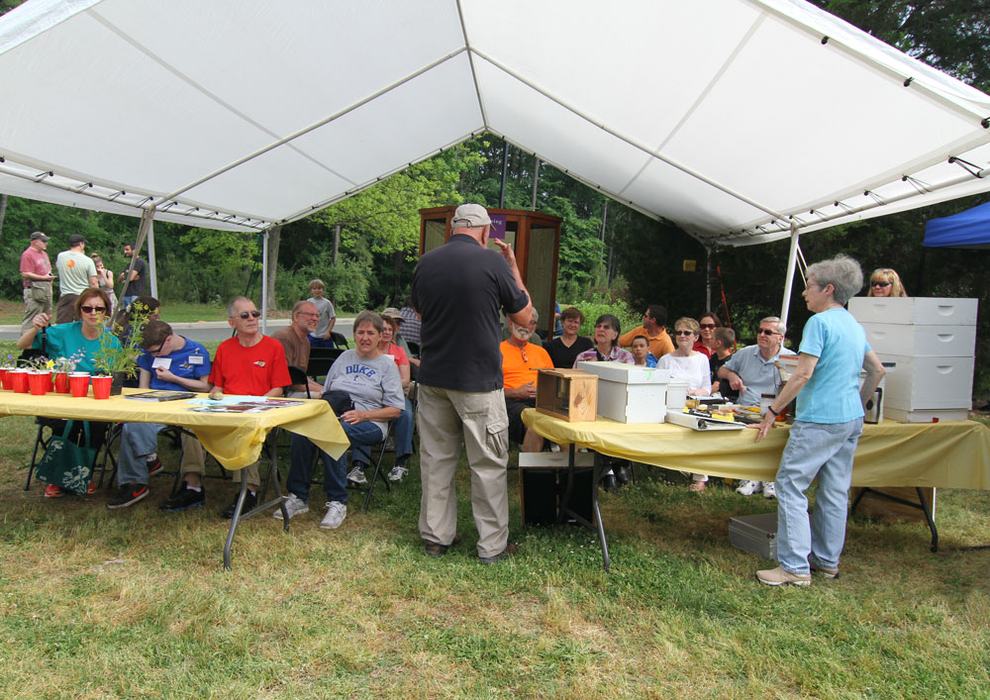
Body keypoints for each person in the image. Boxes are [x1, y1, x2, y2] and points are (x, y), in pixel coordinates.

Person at [755, 255, 885, 587]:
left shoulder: (819, 323)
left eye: (809, 286)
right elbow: (877, 370)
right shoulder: (853, 324)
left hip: (819, 419)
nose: (804, 292)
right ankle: (827, 562)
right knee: (835, 491)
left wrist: (772, 412)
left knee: (789, 484)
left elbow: (802, 374)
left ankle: (794, 567)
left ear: (828, 289)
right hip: (850, 419)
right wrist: (858, 404)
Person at [412, 202, 531, 564]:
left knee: (436, 460)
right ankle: (491, 546)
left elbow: (419, 311)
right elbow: (524, 316)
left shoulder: (426, 263)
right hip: (478, 381)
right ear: (484, 231)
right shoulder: (493, 262)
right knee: (487, 464)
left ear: (452, 227)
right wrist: (513, 267)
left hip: (433, 378)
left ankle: (436, 538)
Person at [279, 311, 404, 530]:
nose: (365, 337)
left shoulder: (387, 366)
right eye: (360, 332)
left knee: (334, 432)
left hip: (371, 422)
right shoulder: (344, 358)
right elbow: (327, 392)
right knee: (302, 432)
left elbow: (395, 410)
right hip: (335, 415)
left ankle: (338, 501)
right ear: (354, 335)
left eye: (370, 333)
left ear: (379, 336)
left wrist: (363, 415)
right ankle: (298, 497)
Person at [17, 288, 120, 498]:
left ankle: (83, 474)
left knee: (96, 424)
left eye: (99, 309)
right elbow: (22, 345)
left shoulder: (112, 342)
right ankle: (58, 478)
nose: (93, 313)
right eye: (87, 308)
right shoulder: (62, 332)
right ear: (79, 310)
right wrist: (35, 328)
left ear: (106, 312)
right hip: (62, 397)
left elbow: (114, 378)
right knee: (68, 423)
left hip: (94, 400)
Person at [112, 321, 212, 510]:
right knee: (132, 424)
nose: (154, 356)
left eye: (156, 352)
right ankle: (136, 479)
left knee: (193, 428)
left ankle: (192, 485)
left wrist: (174, 378)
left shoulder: (196, 351)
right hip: (155, 405)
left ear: (169, 340)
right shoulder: (148, 354)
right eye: (150, 353)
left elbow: (205, 386)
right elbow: (143, 388)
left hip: (186, 405)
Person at [206, 296, 292, 518]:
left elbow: (279, 389)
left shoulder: (273, 347)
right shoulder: (225, 348)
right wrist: (215, 396)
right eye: (245, 315)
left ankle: (248, 490)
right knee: (189, 428)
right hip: (227, 410)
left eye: (255, 314)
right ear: (232, 322)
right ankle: (192, 484)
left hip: (258, 410)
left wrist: (255, 405)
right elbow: (217, 386)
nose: (252, 318)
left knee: (246, 428)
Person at [719, 317, 795, 498]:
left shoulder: (791, 358)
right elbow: (721, 370)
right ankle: (750, 477)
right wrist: (731, 376)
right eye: (760, 331)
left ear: (780, 338)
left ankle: (767, 478)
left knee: (776, 434)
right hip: (745, 408)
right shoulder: (746, 353)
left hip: (776, 411)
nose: (762, 335)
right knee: (748, 431)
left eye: (768, 332)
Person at [348, 307, 414, 484]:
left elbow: (406, 380)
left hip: (394, 395)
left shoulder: (398, 351)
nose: (386, 332)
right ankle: (359, 465)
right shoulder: (367, 350)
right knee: (361, 413)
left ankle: (400, 462)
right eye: (383, 329)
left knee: (406, 414)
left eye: (390, 329)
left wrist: (386, 386)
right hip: (370, 396)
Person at [574, 313, 633, 489]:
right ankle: (611, 467)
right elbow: (574, 385)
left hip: (618, 406)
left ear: (615, 334)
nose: (601, 330)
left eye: (606, 327)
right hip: (591, 406)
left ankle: (613, 465)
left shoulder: (625, 357)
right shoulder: (584, 356)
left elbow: (629, 384)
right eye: (598, 326)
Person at [657, 317, 712, 492]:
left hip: (695, 406)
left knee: (702, 432)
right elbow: (657, 388)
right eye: (678, 332)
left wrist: (695, 392)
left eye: (687, 333)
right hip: (671, 407)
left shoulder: (702, 359)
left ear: (696, 337)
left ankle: (700, 477)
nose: (682, 336)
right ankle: (675, 471)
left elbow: (707, 388)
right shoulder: (665, 360)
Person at [501, 308, 554, 452]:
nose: (526, 326)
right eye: (522, 321)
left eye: (531, 323)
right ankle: (531, 466)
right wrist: (516, 392)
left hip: (541, 401)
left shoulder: (541, 352)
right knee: (536, 423)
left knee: (566, 424)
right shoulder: (497, 351)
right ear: (511, 322)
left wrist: (543, 392)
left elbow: (552, 384)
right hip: (510, 402)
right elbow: (488, 390)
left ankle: (570, 466)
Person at [271, 300, 325, 397]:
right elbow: (289, 380)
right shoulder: (283, 337)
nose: (315, 319)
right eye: (310, 315)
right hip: (281, 393)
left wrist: (325, 388)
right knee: (326, 397)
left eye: (317, 316)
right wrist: (323, 390)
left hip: (295, 389)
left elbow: (302, 377)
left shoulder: (306, 341)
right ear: (296, 316)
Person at [54, 234, 98, 324]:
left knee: (63, 324)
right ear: (81, 244)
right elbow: (93, 283)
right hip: (82, 296)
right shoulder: (88, 260)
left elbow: (59, 268)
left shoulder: (61, 256)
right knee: (82, 325)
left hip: (66, 296)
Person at [19, 231, 54, 334]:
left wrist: (49, 277)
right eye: (43, 241)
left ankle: (44, 340)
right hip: (34, 290)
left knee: (47, 317)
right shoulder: (27, 254)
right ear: (35, 242)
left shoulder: (44, 254)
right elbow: (25, 273)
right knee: (32, 318)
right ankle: (26, 341)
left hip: (46, 289)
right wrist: (43, 278)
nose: (46, 243)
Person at [306, 278, 337, 348]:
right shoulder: (308, 302)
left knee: (327, 354)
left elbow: (333, 318)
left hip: (325, 337)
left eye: (319, 288)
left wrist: (328, 332)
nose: (317, 290)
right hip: (312, 336)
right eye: (314, 288)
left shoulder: (327, 303)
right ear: (311, 290)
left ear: (323, 290)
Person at [118, 243, 149, 309]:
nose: (125, 252)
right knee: (126, 314)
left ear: (134, 250)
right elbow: (119, 279)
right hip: (126, 294)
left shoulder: (139, 262)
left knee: (135, 313)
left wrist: (126, 276)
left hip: (135, 294)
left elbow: (130, 278)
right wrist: (127, 276)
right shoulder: (129, 265)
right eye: (124, 250)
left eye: (127, 249)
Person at [709, 326, 737, 399]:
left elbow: (716, 387)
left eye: (712, 338)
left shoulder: (731, 362)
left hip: (725, 399)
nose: (709, 339)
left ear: (718, 343)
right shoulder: (714, 358)